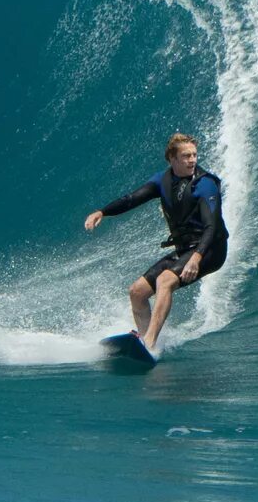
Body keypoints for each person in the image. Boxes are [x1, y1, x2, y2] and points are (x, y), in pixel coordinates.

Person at [83, 132, 227, 352]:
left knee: (165, 280)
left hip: (210, 249)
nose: (192, 160)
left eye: (194, 155)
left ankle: (149, 342)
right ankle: (145, 341)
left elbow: (212, 226)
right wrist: (102, 212)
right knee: (137, 291)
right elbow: (132, 199)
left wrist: (196, 258)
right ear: (172, 159)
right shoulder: (163, 180)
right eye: (186, 156)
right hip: (184, 249)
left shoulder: (205, 184)